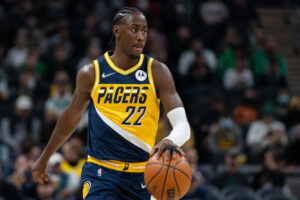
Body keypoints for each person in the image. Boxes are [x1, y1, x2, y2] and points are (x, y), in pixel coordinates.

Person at [32, 7, 191, 200]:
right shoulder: (92, 73)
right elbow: (70, 119)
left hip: (144, 174)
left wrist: (170, 140)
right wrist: (45, 156)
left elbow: (182, 125)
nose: (141, 36)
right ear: (117, 31)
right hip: (101, 173)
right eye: (134, 29)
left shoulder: (157, 71)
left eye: (144, 31)